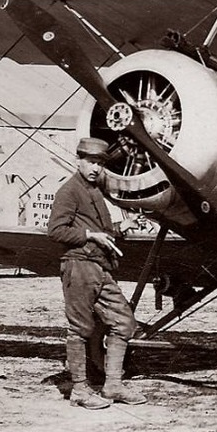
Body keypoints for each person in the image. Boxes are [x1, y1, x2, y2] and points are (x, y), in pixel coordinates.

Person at [47, 137, 141, 410]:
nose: (96, 168)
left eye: (100, 163)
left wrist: (122, 227)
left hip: (100, 268)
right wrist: (89, 234)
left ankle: (112, 385)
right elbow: (56, 231)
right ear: (78, 161)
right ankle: (79, 389)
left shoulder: (93, 191)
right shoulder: (70, 191)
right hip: (79, 266)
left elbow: (101, 234)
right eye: (90, 162)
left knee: (124, 322)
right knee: (80, 329)